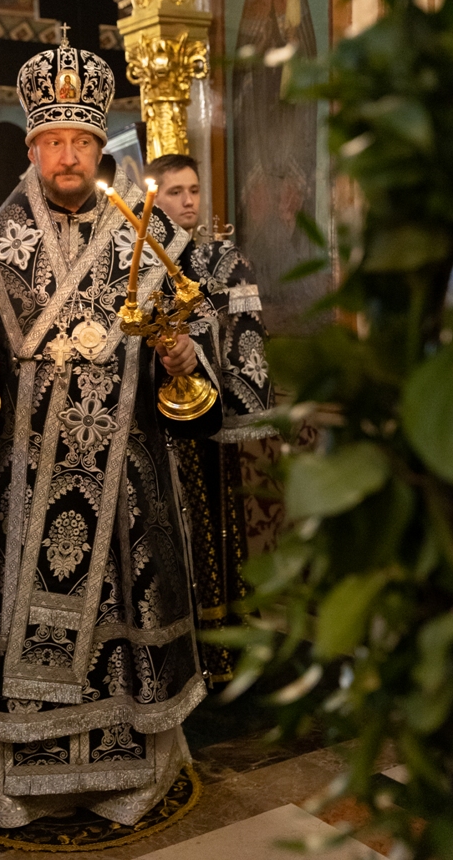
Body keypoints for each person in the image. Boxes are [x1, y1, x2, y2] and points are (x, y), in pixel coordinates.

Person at [0, 33, 227, 830]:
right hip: (28, 484)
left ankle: (129, 777)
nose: (67, 155)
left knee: (122, 635)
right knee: (29, 629)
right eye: (53, 141)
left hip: (125, 489)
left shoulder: (146, 240)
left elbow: (197, 342)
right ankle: (26, 784)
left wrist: (183, 358)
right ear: (33, 149)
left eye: (81, 141)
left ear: (100, 149)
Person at [145, 153, 276, 686]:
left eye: (194, 190)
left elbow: (244, 337)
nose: (188, 201)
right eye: (175, 192)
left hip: (207, 420)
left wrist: (237, 402)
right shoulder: (135, 261)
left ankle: (222, 650)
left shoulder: (220, 258)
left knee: (214, 530)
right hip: (151, 425)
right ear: (153, 198)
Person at [233, 0, 318, 331]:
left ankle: (299, 288)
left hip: (290, 108)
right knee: (260, 192)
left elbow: (307, 52)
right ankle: (261, 284)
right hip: (256, 110)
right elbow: (240, 64)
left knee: (289, 188)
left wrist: (288, 39)